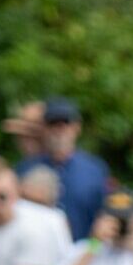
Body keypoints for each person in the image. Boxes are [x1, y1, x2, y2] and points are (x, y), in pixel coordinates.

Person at [19, 97, 107, 242]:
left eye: (66, 123)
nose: (60, 130)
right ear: (44, 128)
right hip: (37, 257)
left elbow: (104, 219)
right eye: (53, 124)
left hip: (83, 256)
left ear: (77, 127)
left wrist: (94, 248)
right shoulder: (26, 169)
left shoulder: (95, 170)